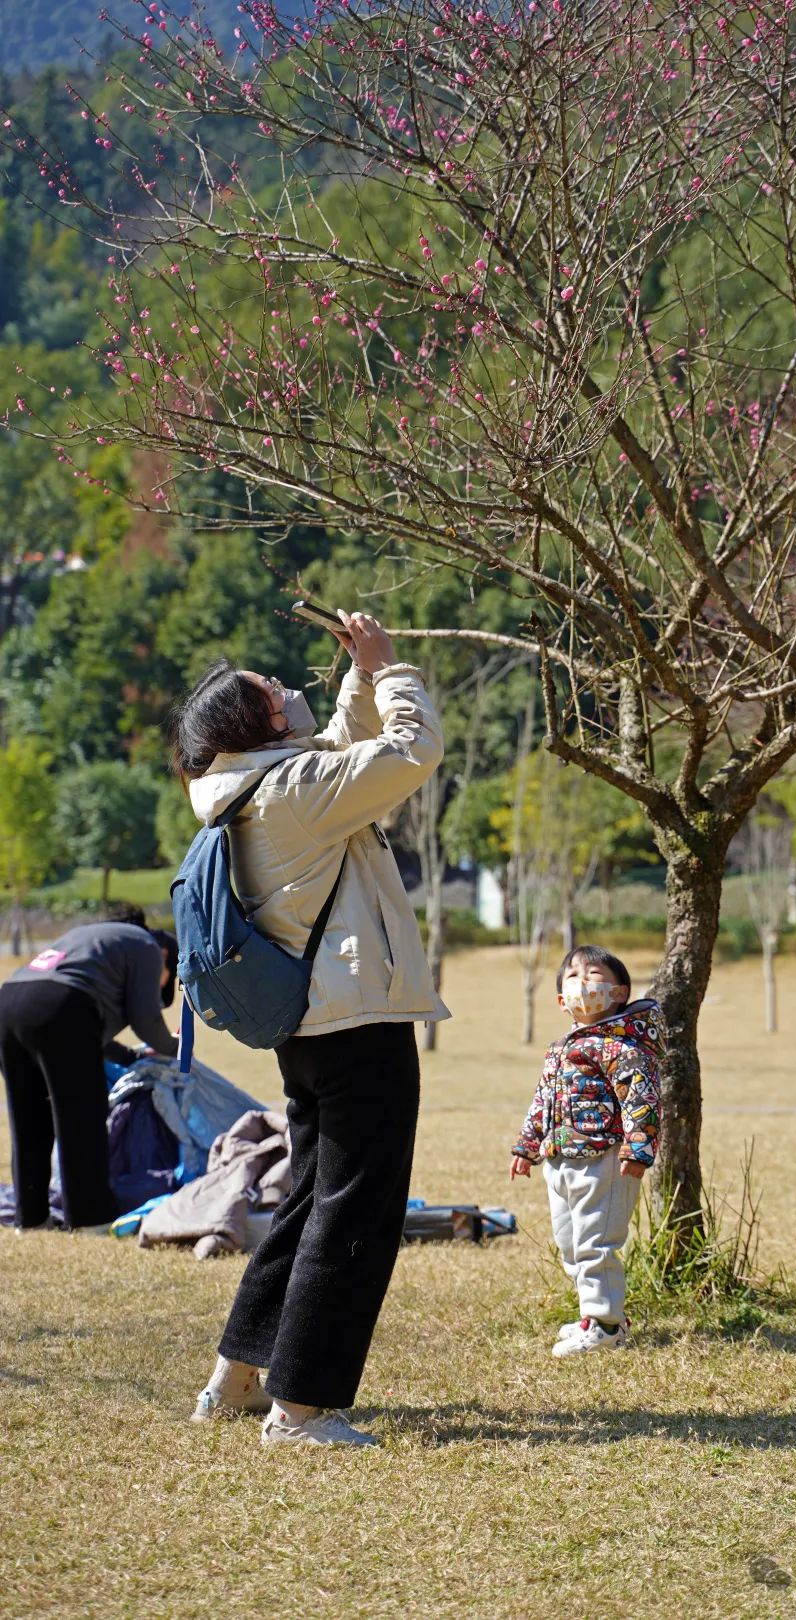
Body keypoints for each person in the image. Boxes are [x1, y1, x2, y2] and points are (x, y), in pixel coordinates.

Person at [175, 612, 447, 1449]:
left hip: (311, 1023)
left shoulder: (256, 788)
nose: (289, 688)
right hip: (356, 1018)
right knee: (355, 1210)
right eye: (271, 690)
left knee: (309, 1198)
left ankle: (241, 1374)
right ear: (260, 725)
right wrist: (392, 670)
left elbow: (338, 742)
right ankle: (301, 1410)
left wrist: (357, 676)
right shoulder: (295, 795)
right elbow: (408, 753)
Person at [510, 945, 664, 1357]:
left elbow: (642, 1100)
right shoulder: (561, 1049)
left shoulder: (623, 1047)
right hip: (560, 1161)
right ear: (562, 1001)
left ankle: (607, 1324)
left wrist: (638, 1149)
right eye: (573, 978)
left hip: (606, 1159)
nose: (583, 983)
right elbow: (542, 1101)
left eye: (593, 975)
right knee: (571, 1243)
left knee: (597, 1243)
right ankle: (595, 1314)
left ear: (619, 992)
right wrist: (527, 1147)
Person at [0, 921, 179, 1232]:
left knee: (28, 1119)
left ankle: (29, 1219)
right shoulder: (149, 948)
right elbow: (144, 1018)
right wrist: (176, 1047)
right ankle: (91, 1218)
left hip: (9, 1002)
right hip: (62, 1005)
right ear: (167, 956)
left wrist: (129, 1056)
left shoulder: (96, 939)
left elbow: (86, 1029)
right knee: (81, 1118)